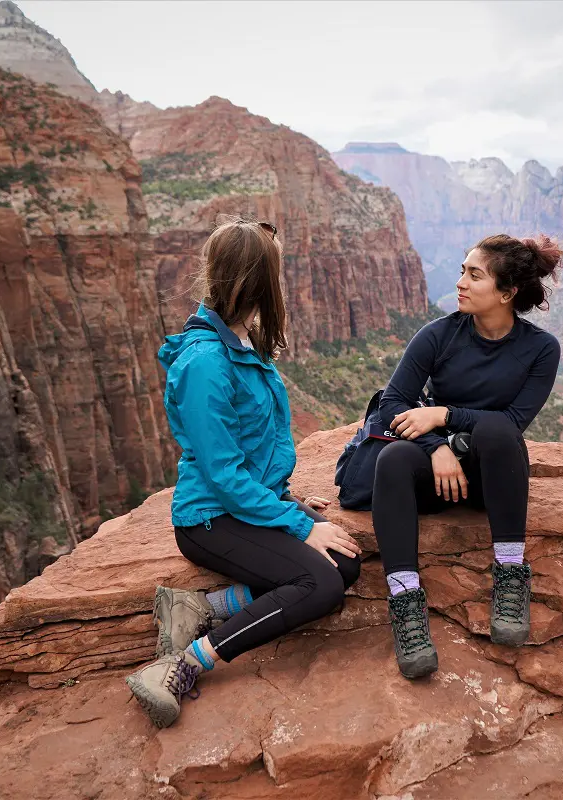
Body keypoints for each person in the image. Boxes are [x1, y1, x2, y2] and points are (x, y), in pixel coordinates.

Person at [126, 216, 362, 728]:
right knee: (320, 585)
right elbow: (224, 474)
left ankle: (203, 607)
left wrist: (287, 501)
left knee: (344, 565)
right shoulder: (207, 362)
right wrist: (299, 524)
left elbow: (251, 451)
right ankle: (181, 665)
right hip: (209, 519)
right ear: (259, 280)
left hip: (245, 503)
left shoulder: (241, 340)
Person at [373, 233, 563, 678]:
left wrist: (443, 414)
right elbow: (393, 404)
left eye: (474, 274)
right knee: (393, 460)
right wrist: (435, 447)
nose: (460, 282)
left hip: (489, 477)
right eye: (462, 270)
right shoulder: (437, 336)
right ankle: (405, 601)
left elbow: (513, 421)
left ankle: (510, 574)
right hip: (437, 479)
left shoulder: (541, 349)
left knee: (498, 430)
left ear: (506, 292)